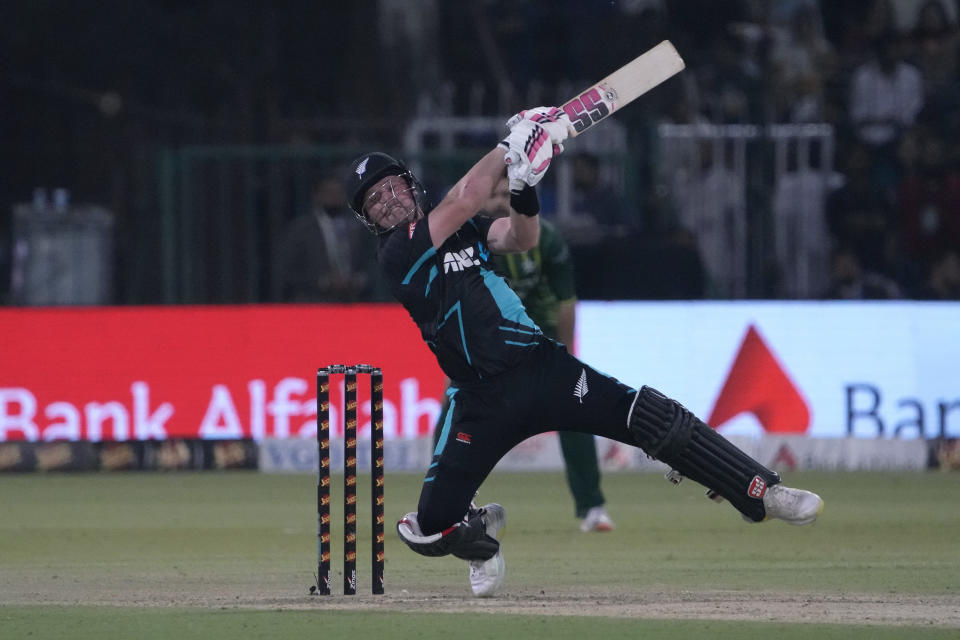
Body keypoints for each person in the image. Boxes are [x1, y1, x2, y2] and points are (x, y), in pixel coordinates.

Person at [344, 108, 823, 598]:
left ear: (409, 183)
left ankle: (763, 492)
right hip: (481, 400)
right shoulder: (398, 253)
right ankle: (481, 540)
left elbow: (520, 236)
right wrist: (511, 146)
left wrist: (524, 185)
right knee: (428, 524)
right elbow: (465, 197)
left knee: (649, 418)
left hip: (541, 367)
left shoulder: (461, 232)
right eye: (373, 200)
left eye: (390, 188)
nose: (386, 202)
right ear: (368, 218)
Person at [431, 175, 614, 533]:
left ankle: (592, 507)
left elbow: (565, 304)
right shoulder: (463, 242)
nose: (500, 201)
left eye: (507, 195)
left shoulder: (545, 238)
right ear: (480, 201)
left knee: (577, 409)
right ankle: (440, 507)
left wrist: (567, 355)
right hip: (482, 349)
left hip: (538, 342)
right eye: (493, 195)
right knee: (451, 415)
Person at [274, 175, 379, 302]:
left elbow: (373, 261)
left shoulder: (359, 227)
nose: (334, 197)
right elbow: (288, 269)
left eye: (338, 193)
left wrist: (359, 280)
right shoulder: (300, 229)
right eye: (329, 192)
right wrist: (323, 282)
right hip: (313, 303)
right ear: (317, 196)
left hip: (354, 302)